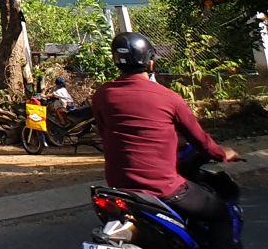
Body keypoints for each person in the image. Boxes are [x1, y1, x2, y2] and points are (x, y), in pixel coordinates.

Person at [91, 31, 243, 249]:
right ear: (150, 63)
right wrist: (222, 153)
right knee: (220, 214)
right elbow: (201, 141)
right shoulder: (168, 97)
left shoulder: (102, 96)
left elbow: (105, 132)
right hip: (163, 187)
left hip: (119, 186)